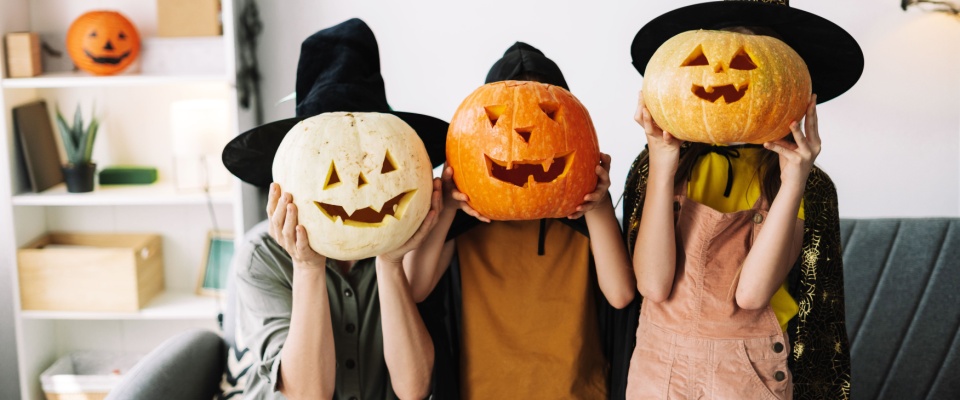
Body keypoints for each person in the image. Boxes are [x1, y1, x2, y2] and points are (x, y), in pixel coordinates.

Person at [622, 1, 864, 399]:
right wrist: (663, 163)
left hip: (749, 374)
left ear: (787, 81)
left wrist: (794, 182)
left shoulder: (805, 184)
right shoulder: (658, 166)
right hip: (657, 368)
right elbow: (653, 284)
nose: (722, 73)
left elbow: (751, 295)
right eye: (705, 56)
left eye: (751, 63)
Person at [221, 18, 450, 399]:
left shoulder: (414, 244)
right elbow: (307, 395)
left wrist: (391, 264)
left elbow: (414, 390)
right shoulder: (260, 256)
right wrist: (307, 266)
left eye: (382, 165)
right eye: (327, 170)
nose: (360, 189)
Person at [405, 42, 637, 399]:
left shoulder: (581, 219)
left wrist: (599, 203)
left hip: (577, 391)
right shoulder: (465, 223)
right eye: (498, 120)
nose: (525, 138)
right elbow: (416, 288)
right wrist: (448, 207)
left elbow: (621, 295)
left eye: (548, 115)